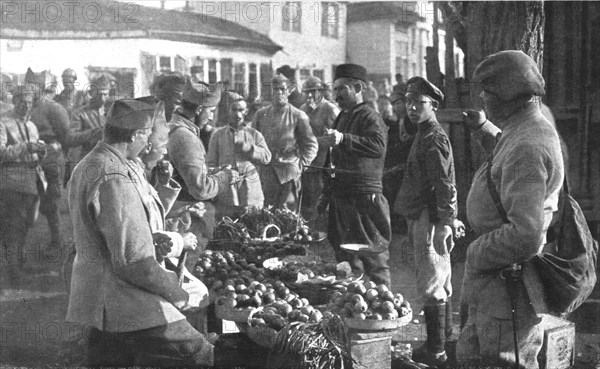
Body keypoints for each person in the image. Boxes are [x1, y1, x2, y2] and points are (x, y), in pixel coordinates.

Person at [67, 99, 238, 367]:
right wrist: (176, 293)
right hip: (123, 298)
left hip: (102, 298)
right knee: (198, 353)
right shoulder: (114, 177)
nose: (150, 144)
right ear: (135, 134)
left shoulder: (96, 162)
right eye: (148, 135)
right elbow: (135, 263)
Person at [457, 50, 564, 369]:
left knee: (500, 361)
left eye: (488, 91)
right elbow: (505, 157)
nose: (482, 98)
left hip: (507, 289)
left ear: (511, 95)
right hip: (497, 284)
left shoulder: (527, 146)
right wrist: (484, 129)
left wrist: (476, 253)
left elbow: (526, 235)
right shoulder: (523, 127)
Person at [394, 76, 464, 367]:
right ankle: (444, 342)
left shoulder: (433, 136)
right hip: (425, 214)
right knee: (439, 280)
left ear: (433, 105)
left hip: (430, 217)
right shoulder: (423, 133)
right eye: (408, 102)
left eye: (419, 103)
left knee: (432, 281)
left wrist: (446, 223)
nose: (412, 107)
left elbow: (444, 183)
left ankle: (436, 350)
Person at [318, 63, 391, 287]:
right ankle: (353, 308)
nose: (336, 95)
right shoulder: (343, 116)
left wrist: (343, 139)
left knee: (373, 256)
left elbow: (377, 146)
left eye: (342, 89)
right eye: (335, 89)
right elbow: (334, 158)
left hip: (365, 199)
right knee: (347, 259)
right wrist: (326, 192)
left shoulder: (370, 116)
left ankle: (385, 310)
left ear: (358, 87)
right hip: (342, 198)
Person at [0, 83, 48, 286]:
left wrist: (41, 150)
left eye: (29, 102)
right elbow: (1, 152)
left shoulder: (32, 125)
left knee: (27, 224)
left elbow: (35, 152)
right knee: (13, 226)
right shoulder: (3, 122)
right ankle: (14, 271)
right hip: (11, 179)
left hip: (31, 179)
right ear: (14, 101)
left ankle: (19, 264)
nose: (26, 106)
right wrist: (25, 146)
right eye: (22, 102)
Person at [253, 75, 318, 211]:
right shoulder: (261, 114)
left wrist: (300, 165)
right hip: (267, 172)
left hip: (288, 172)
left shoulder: (298, 115)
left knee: (287, 214)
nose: (279, 93)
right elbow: (252, 141)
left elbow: (311, 145)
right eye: (275, 89)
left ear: (289, 91)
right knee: (266, 212)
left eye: (282, 89)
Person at [25, 68, 72, 248]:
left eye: (35, 86)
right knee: (24, 202)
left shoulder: (54, 108)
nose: (31, 89)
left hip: (51, 158)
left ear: (42, 87)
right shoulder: (23, 106)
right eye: (28, 86)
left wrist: (60, 159)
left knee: (50, 201)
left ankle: (57, 240)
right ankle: (21, 245)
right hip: (28, 159)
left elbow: (66, 137)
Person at [207, 94, 271, 218]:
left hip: (251, 193)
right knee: (228, 228)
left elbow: (267, 157)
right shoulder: (218, 135)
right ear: (228, 110)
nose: (237, 114)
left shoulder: (254, 134)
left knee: (254, 227)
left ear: (246, 111)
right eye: (234, 110)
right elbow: (210, 164)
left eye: (241, 110)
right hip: (226, 194)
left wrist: (250, 149)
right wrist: (220, 171)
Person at [299, 76, 340, 226]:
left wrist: (312, 141)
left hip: (325, 161)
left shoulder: (330, 109)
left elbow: (336, 138)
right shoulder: (303, 109)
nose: (310, 95)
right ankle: (307, 228)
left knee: (321, 196)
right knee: (305, 197)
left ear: (321, 91)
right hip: (306, 161)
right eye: (307, 92)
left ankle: (321, 229)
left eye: (313, 92)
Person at [380, 94, 417, 232]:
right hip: (398, 164)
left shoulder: (412, 121)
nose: (395, 106)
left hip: (408, 164)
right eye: (393, 104)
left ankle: (400, 222)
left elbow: (410, 143)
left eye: (398, 103)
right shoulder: (398, 121)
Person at [65, 75, 111, 167]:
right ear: (91, 93)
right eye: (99, 94)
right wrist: (93, 132)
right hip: (86, 160)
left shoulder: (112, 112)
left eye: (105, 94)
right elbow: (71, 138)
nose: (102, 98)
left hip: (108, 161)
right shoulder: (79, 113)